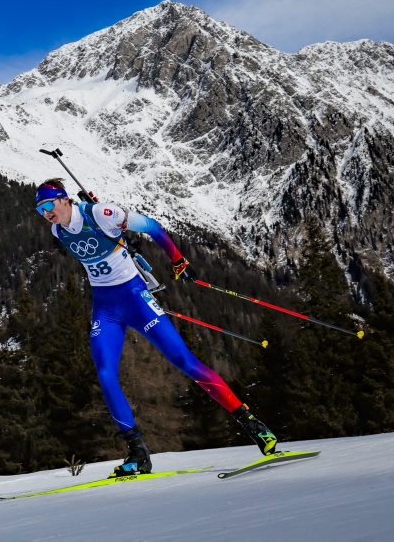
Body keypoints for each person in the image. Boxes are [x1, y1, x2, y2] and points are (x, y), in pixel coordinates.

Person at [34, 178, 277, 476]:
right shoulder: (57, 230)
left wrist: (177, 260)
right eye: (39, 209)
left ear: (64, 200)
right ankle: (138, 452)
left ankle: (253, 425)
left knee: (184, 361)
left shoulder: (101, 213)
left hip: (135, 299)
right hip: (105, 308)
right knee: (106, 374)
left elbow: (151, 226)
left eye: (47, 205)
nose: (45, 212)